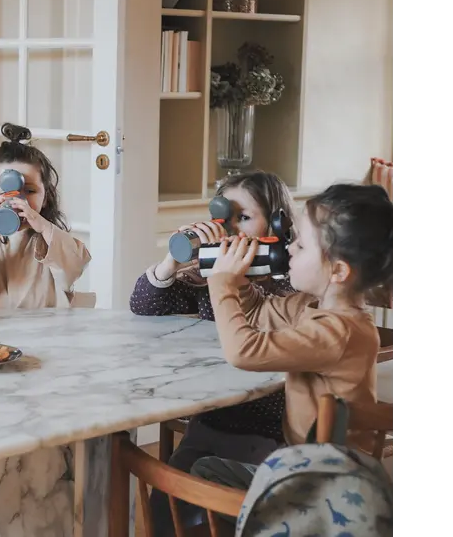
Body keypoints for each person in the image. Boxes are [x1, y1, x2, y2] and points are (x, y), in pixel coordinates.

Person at [190, 183, 397, 529]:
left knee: (203, 477)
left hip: (327, 480)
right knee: (206, 469)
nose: (288, 247)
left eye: (300, 244)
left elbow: (243, 351)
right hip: (302, 459)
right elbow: (258, 311)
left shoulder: (337, 332)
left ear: (338, 271)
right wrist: (239, 281)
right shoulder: (313, 307)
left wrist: (220, 284)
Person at [129, 171, 298, 536]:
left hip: (267, 428)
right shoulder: (209, 275)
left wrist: (229, 281)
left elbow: (260, 324)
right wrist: (173, 260)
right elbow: (145, 304)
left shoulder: (289, 285)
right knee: (167, 502)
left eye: (244, 217)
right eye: (223, 217)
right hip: (209, 418)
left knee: (231, 516)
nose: (230, 228)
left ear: (277, 223)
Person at [0, 122, 91, 309]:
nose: (17, 200)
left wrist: (43, 226)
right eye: (5, 192)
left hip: (47, 326)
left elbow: (76, 266)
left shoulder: (52, 242)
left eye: (29, 191)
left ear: (46, 197)